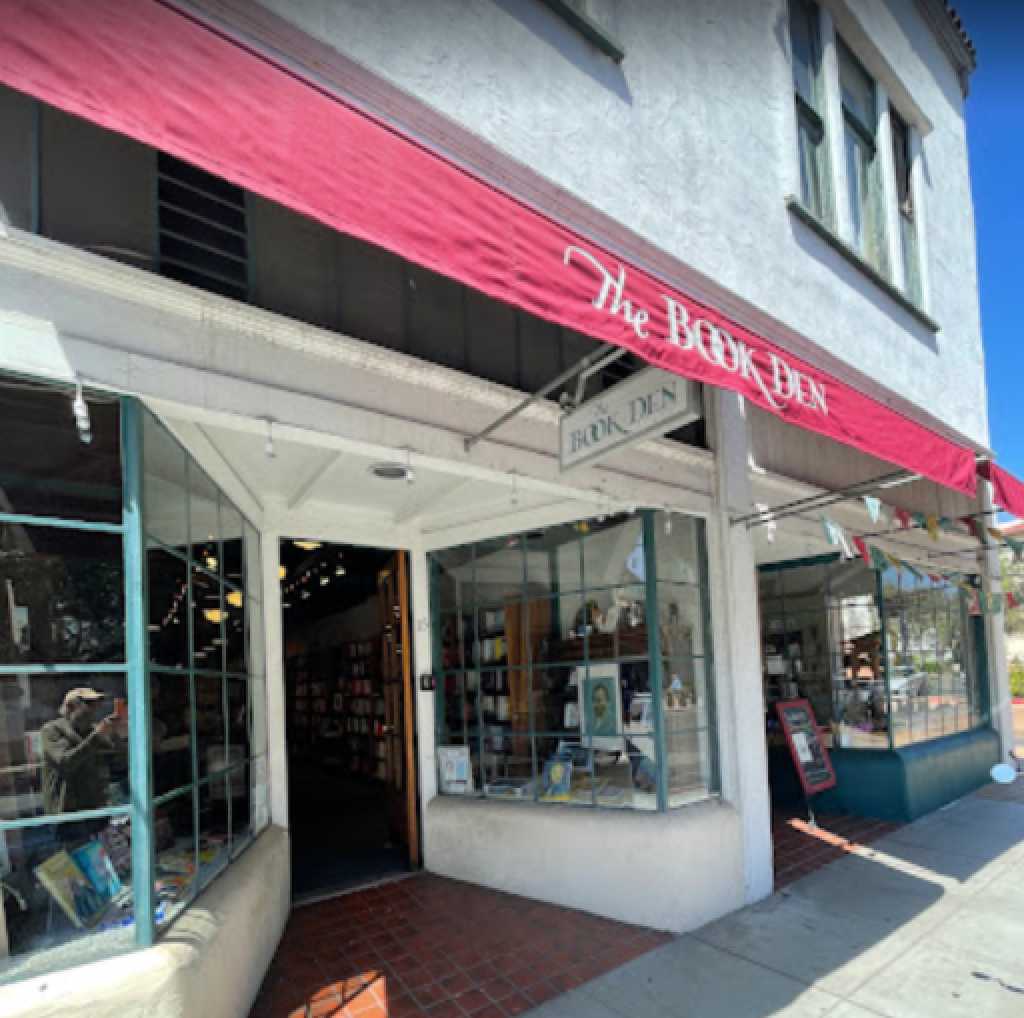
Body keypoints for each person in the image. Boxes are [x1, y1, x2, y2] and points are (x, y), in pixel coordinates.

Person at [41, 688, 126, 815]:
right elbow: (66, 762)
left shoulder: (92, 730)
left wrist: (119, 735)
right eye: (89, 704)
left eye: (98, 705)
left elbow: (120, 760)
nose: (95, 710)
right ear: (70, 707)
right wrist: (97, 736)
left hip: (96, 805)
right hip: (67, 809)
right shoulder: (52, 729)